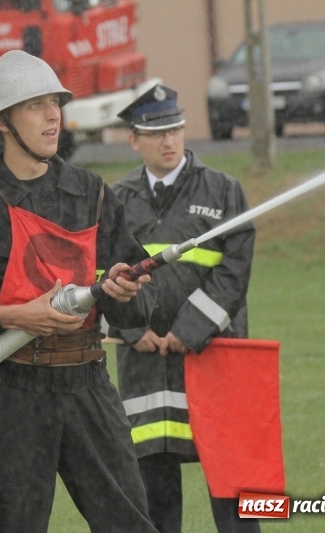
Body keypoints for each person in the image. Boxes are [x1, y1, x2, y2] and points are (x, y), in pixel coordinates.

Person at [0, 50, 159, 533]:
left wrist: (124, 293)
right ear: (1, 121)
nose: (52, 116)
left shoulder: (93, 192)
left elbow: (144, 307)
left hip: (89, 385)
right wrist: (11, 317)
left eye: (55, 103)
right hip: (10, 397)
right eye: (35, 105)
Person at [110, 84, 257, 533]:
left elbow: (235, 269)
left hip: (213, 358)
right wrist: (133, 330)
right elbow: (101, 273)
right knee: (153, 492)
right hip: (146, 364)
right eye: (156, 133)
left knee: (234, 487)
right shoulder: (116, 201)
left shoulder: (224, 191)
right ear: (133, 140)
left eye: (175, 129)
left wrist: (190, 329)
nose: (168, 140)